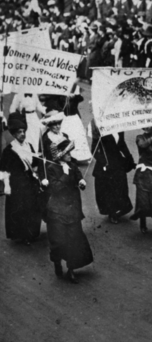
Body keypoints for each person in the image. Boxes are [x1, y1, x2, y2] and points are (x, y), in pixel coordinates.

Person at [41, 139, 93, 283]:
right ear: (60, 155)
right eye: (67, 153)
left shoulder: (72, 165)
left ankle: (71, 269)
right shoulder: (50, 168)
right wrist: (64, 174)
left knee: (74, 239)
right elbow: (55, 188)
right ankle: (57, 262)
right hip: (57, 211)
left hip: (72, 209)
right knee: (59, 241)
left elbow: (78, 177)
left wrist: (82, 182)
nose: (70, 155)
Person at [0, 116, 43, 244]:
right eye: (19, 132)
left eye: (24, 131)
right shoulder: (9, 150)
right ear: (13, 134)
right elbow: (3, 170)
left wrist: (36, 171)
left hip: (30, 181)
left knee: (33, 207)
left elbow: (35, 162)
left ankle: (32, 233)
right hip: (17, 184)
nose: (22, 134)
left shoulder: (29, 145)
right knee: (21, 209)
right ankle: (24, 235)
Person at [90, 121, 135, 224]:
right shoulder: (100, 129)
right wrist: (104, 162)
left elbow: (122, 144)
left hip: (117, 162)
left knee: (120, 186)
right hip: (105, 165)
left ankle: (120, 208)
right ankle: (112, 213)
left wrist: (129, 158)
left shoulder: (119, 128)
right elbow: (94, 150)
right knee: (108, 190)